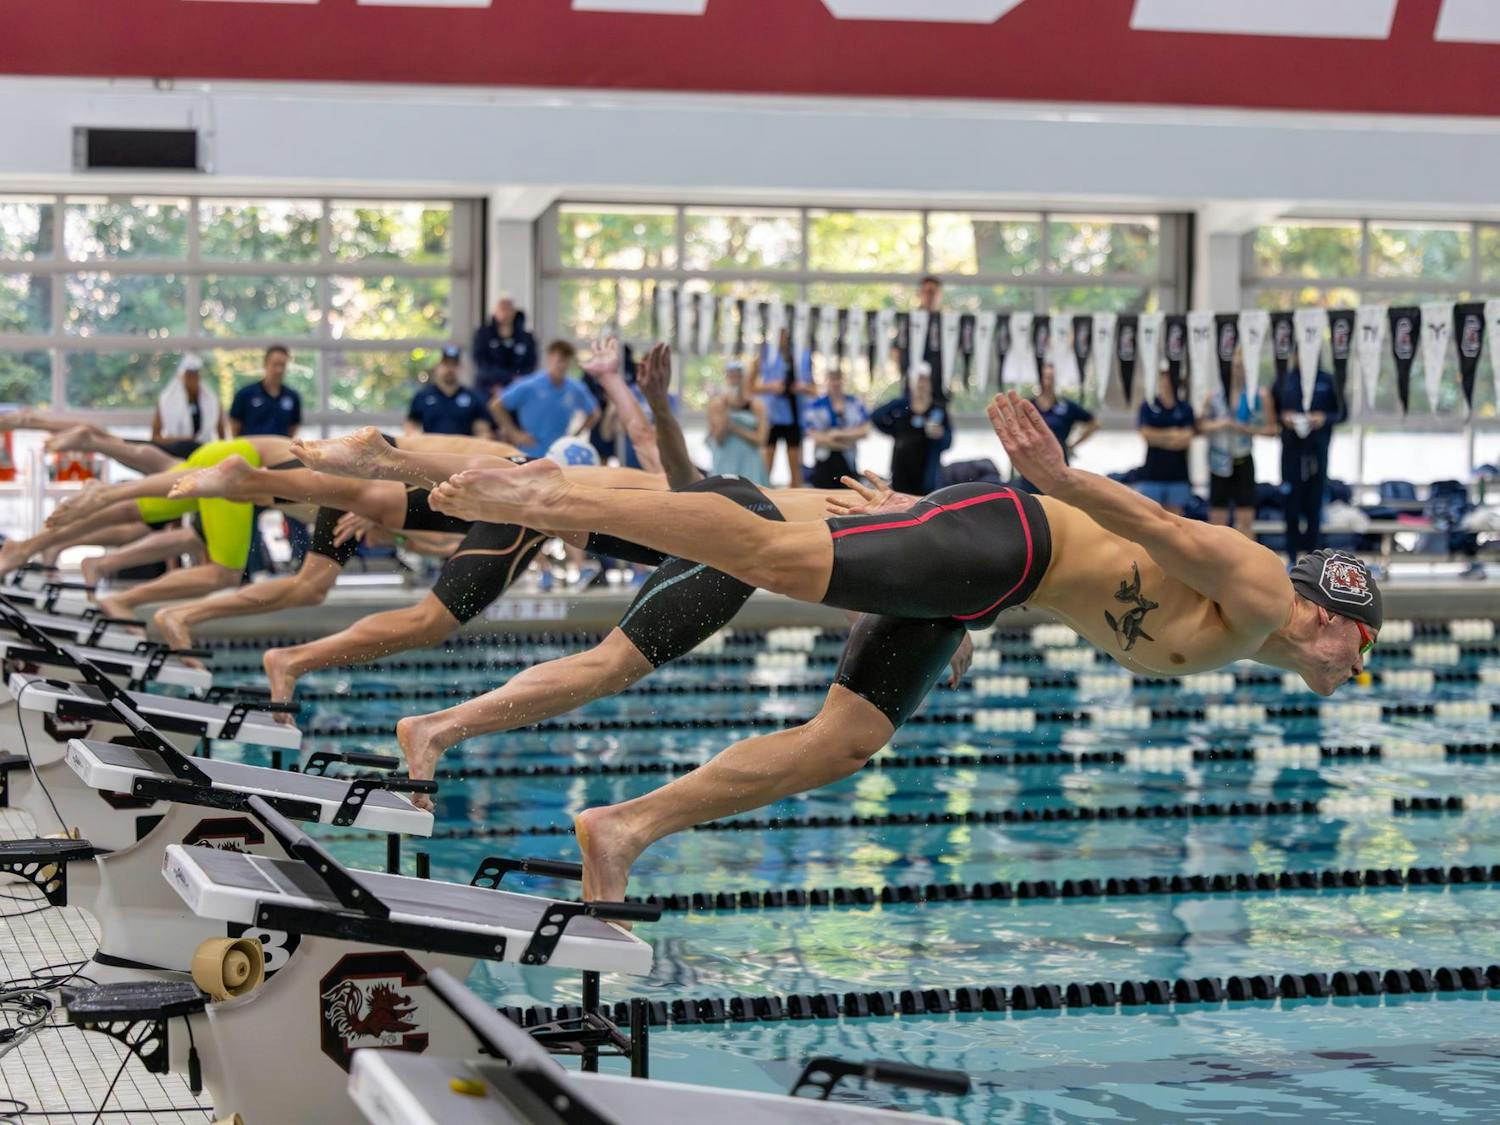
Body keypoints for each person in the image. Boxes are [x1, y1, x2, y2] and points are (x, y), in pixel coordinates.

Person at [425, 390, 1379, 906]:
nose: (1350, 675)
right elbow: (1159, 528)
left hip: (989, 579)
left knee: (842, 742)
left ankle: (623, 827)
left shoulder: (1246, 640)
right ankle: (545, 498)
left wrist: (960, 603)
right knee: (770, 553)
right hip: (1007, 535)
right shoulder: (1257, 591)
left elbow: (1096, 587)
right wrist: (1059, 473)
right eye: (1361, 656)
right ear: (1337, 622)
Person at [1273, 361, 1345, 564]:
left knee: (1314, 511)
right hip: (1291, 456)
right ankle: (1291, 559)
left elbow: (1342, 412)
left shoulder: (1328, 380)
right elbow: (1271, 413)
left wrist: (1323, 418)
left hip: (1317, 455)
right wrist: (1283, 418)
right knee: (1291, 511)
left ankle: (1314, 563)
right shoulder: (1284, 379)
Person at [1200, 347, 1276, 536]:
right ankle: (1216, 562)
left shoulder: (1258, 396)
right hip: (1219, 462)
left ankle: (1246, 561)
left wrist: (1246, 429)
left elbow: (1272, 429)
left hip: (1243, 459)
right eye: (1235, 365)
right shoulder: (1214, 395)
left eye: (1242, 366)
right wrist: (1221, 424)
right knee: (1217, 521)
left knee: (1245, 520)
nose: (1238, 370)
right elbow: (1200, 425)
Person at [494, 340, 601, 458]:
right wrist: (514, 434)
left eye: (566, 361)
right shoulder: (530, 384)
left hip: (559, 455)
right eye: (559, 360)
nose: (562, 366)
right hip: (530, 452)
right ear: (549, 359)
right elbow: (496, 405)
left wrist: (575, 436)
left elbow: (594, 413)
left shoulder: (575, 388)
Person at [1016, 359, 1097, 493]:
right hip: (1032, 464)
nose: (1048, 380)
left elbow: (1094, 423)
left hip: (1058, 464)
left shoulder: (1066, 406)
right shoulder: (1028, 405)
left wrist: (1074, 444)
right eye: (1045, 376)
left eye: (1051, 377)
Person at [871, 365, 951, 495]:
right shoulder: (902, 406)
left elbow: (948, 442)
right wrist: (892, 429)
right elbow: (876, 416)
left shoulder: (938, 409)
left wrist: (941, 434)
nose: (922, 385)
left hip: (926, 474)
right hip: (901, 470)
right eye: (919, 380)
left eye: (926, 381)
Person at [751, 329, 814, 487]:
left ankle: (796, 502)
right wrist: (770, 387)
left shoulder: (801, 355)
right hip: (772, 417)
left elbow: (814, 389)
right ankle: (762, 498)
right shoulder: (764, 356)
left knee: (796, 468)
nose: (782, 337)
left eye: (785, 333)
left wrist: (803, 387)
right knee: (766, 466)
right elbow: (749, 387)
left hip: (794, 417)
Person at [1135, 366, 1196, 514]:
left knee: (1176, 520)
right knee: (1150, 517)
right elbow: (1146, 436)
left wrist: (1159, 437)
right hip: (1152, 475)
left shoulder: (1185, 408)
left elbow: (1185, 440)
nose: (1166, 384)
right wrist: (1172, 433)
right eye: (1163, 380)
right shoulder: (1149, 406)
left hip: (1178, 476)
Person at [804, 365, 871, 490]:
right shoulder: (816, 405)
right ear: (826, 381)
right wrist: (844, 442)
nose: (835, 383)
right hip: (824, 459)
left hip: (849, 460)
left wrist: (838, 434)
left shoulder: (854, 403)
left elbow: (865, 430)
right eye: (832, 379)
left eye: (838, 379)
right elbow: (814, 435)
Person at [706, 360, 769, 484]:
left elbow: (761, 440)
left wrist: (735, 428)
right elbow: (717, 439)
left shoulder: (757, 405)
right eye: (732, 375)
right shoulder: (718, 405)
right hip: (725, 462)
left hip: (750, 463)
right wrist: (726, 413)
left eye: (738, 376)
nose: (735, 380)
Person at [407, 347, 492, 438]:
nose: (450, 369)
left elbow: (483, 432)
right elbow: (411, 426)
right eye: (446, 364)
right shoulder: (422, 396)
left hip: (463, 450)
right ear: (437, 366)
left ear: (460, 368)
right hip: (431, 450)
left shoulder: (474, 398)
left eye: (454, 364)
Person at [152, 354, 223, 457]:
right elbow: (155, 437)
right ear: (182, 377)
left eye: (195, 375)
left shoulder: (212, 401)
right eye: (189, 375)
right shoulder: (166, 402)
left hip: (204, 453)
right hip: (176, 453)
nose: (193, 379)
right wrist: (183, 441)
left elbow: (221, 436)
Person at [471, 295, 538, 402]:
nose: (505, 313)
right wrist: (505, 379)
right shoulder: (483, 335)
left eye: (508, 309)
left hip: (518, 390)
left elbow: (531, 365)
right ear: (495, 311)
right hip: (488, 389)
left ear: (514, 312)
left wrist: (515, 383)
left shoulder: (526, 338)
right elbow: (481, 363)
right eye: (502, 308)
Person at [229, 345, 302, 439]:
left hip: (280, 449)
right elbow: (235, 426)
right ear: (265, 364)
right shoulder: (245, 394)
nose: (279, 370)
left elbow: (293, 427)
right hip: (251, 449)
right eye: (275, 364)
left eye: (282, 365)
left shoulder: (292, 397)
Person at [893, 275, 946, 400]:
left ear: (939, 295)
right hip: (911, 384)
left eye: (934, 292)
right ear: (920, 294)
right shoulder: (908, 321)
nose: (930, 296)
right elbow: (896, 350)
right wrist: (903, 371)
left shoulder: (945, 322)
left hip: (937, 385)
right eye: (927, 292)